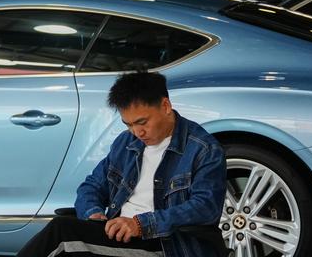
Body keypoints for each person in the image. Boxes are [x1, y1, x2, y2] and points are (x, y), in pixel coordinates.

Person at [16, 71, 226, 257]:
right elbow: (92, 186)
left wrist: (141, 224)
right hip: (117, 236)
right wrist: (93, 214)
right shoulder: (126, 143)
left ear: (165, 106)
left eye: (142, 122)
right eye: (129, 124)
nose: (137, 132)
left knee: (61, 233)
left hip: (166, 245)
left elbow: (205, 207)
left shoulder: (203, 149)